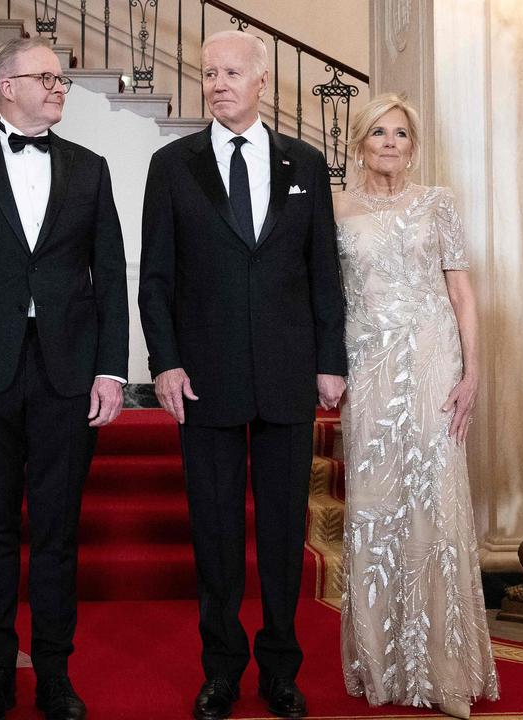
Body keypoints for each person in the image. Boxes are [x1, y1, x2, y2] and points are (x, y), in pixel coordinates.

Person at [0, 36, 128, 720]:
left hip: (69, 368)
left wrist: (111, 370)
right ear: (7, 86)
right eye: (48, 77)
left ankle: (57, 675)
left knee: (58, 530)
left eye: (61, 79)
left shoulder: (91, 169)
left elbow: (111, 277)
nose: (60, 86)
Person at [138, 29, 346, 720]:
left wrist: (330, 362)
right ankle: (220, 670)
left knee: (285, 534)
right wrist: (163, 359)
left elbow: (325, 275)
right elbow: (157, 277)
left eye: (231, 72)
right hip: (205, 375)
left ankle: (280, 671)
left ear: (263, 82)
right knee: (217, 533)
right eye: (209, 73)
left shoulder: (307, 165)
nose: (218, 82)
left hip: (289, 374)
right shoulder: (173, 166)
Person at [333, 94, 498, 720]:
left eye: (401, 132)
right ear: (360, 140)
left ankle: (445, 670)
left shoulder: (439, 203)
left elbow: (461, 291)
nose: (391, 142)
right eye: (379, 131)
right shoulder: (335, 208)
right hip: (367, 366)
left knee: (434, 496)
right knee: (375, 505)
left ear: (414, 143)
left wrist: (473, 372)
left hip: (432, 361)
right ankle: (380, 663)